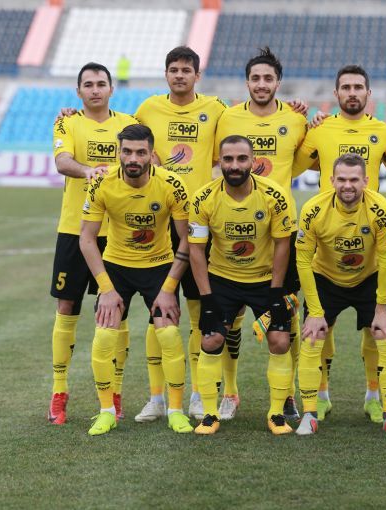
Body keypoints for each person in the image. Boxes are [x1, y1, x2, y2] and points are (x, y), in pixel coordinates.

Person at [292, 64, 386, 423]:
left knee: (378, 330)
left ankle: (373, 396)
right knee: (318, 329)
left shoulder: (383, 131)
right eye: (346, 87)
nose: (352, 93)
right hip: (327, 246)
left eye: (358, 87)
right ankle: (321, 396)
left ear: (368, 93)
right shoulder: (321, 129)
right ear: (336, 93)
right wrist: (299, 125)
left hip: (369, 249)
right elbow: (291, 166)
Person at [131, 46, 231, 423]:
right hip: (159, 223)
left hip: (201, 222)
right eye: (173, 69)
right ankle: (157, 398)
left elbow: (228, 151)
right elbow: (128, 140)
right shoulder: (148, 108)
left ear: (197, 75)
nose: (179, 75)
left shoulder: (216, 109)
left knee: (199, 309)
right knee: (158, 311)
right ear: (166, 74)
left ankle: (198, 395)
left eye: (186, 70)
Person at [212, 47, 307, 421]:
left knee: (287, 315)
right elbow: (215, 161)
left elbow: (306, 159)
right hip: (234, 227)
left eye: (268, 78)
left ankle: (287, 395)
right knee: (229, 315)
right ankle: (230, 392)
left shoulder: (295, 120)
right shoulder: (228, 117)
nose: (262, 84)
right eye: (256, 78)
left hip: (279, 230)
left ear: (278, 83)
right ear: (247, 82)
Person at [79, 124, 193, 436]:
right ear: (118, 153)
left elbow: (186, 239)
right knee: (105, 336)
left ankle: (175, 410)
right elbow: (86, 239)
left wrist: (168, 289)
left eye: (140, 152)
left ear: (151, 155)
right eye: (127, 151)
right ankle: (107, 411)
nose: (133, 158)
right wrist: (106, 289)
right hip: (116, 266)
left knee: (169, 335)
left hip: (159, 267)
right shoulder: (102, 182)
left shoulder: (171, 184)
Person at [47, 62, 138, 425]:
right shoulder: (67, 122)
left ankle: (115, 392)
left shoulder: (128, 124)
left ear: (112, 89)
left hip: (116, 232)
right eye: (89, 84)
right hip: (75, 228)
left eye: (101, 83)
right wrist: (88, 171)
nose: (95, 89)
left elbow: (146, 160)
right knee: (67, 306)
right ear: (79, 91)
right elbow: (62, 161)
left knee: (117, 310)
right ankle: (59, 391)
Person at [188, 135, 296, 435]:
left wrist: (276, 292)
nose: (234, 165)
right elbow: (196, 250)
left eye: (241, 159)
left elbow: (282, 244)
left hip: (264, 280)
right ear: (219, 162)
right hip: (222, 279)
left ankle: (276, 414)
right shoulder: (204, 198)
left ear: (253, 161)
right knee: (211, 340)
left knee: (280, 341)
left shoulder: (274, 195)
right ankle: (209, 415)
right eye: (228, 159)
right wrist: (207, 298)